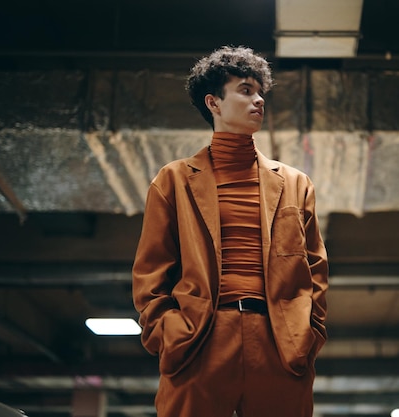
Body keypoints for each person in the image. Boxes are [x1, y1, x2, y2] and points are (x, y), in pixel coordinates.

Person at [132, 45, 328, 417]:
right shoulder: (173, 181)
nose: (258, 101)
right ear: (214, 103)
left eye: (260, 92)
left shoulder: (295, 183)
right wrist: (169, 333)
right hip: (199, 339)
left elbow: (315, 270)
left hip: (280, 343)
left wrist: (309, 334)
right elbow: (150, 272)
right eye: (245, 90)